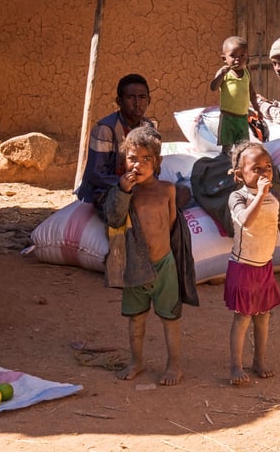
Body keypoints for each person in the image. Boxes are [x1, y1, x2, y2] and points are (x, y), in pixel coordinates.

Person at [103, 127, 187, 385]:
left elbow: (170, 225)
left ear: (157, 162)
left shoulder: (167, 190)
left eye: (146, 159)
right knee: (136, 318)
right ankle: (136, 361)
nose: (138, 164)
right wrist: (123, 191)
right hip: (135, 266)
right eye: (132, 158)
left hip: (164, 265)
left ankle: (174, 365)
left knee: (170, 318)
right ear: (124, 161)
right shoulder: (123, 192)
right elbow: (113, 218)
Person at [224, 141, 280, 385]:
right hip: (243, 267)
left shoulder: (275, 198)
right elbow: (245, 220)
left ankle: (259, 360)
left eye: (267, 167)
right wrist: (260, 195)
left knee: (264, 317)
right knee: (243, 318)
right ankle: (236, 366)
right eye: (256, 169)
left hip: (264, 266)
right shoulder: (238, 197)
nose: (264, 172)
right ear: (239, 175)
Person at [76, 73, 155, 214]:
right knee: (138, 208)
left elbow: (153, 165)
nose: (137, 103)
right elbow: (96, 174)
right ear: (119, 101)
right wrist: (126, 184)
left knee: (172, 195)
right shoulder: (105, 130)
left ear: (149, 100)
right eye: (130, 97)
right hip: (105, 191)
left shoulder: (148, 128)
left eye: (142, 97)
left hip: (137, 185)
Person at [210, 36, 261, 153]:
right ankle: (225, 161)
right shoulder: (225, 73)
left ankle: (239, 162)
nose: (238, 59)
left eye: (242, 55)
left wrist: (257, 109)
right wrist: (220, 75)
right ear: (224, 58)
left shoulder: (247, 73)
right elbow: (213, 87)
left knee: (242, 147)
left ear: (247, 57)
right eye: (233, 56)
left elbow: (252, 93)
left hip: (242, 118)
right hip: (228, 118)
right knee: (227, 147)